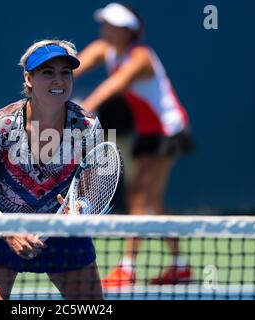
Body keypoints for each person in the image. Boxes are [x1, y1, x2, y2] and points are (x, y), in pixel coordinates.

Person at [0, 39, 104, 299]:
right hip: (0, 220)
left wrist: (80, 207)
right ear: (29, 78)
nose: (59, 81)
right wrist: (8, 229)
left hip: (58, 227)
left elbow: (90, 190)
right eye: (48, 73)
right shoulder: (0, 126)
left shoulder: (87, 126)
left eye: (65, 73)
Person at [74, 3, 196, 287]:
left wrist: (83, 110)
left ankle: (127, 269)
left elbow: (113, 86)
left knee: (140, 199)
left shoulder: (140, 57)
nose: (105, 29)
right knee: (152, 201)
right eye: (104, 23)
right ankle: (180, 267)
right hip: (149, 132)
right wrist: (51, 74)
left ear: (127, 31)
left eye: (111, 25)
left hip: (167, 132)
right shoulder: (106, 48)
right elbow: (78, 63)